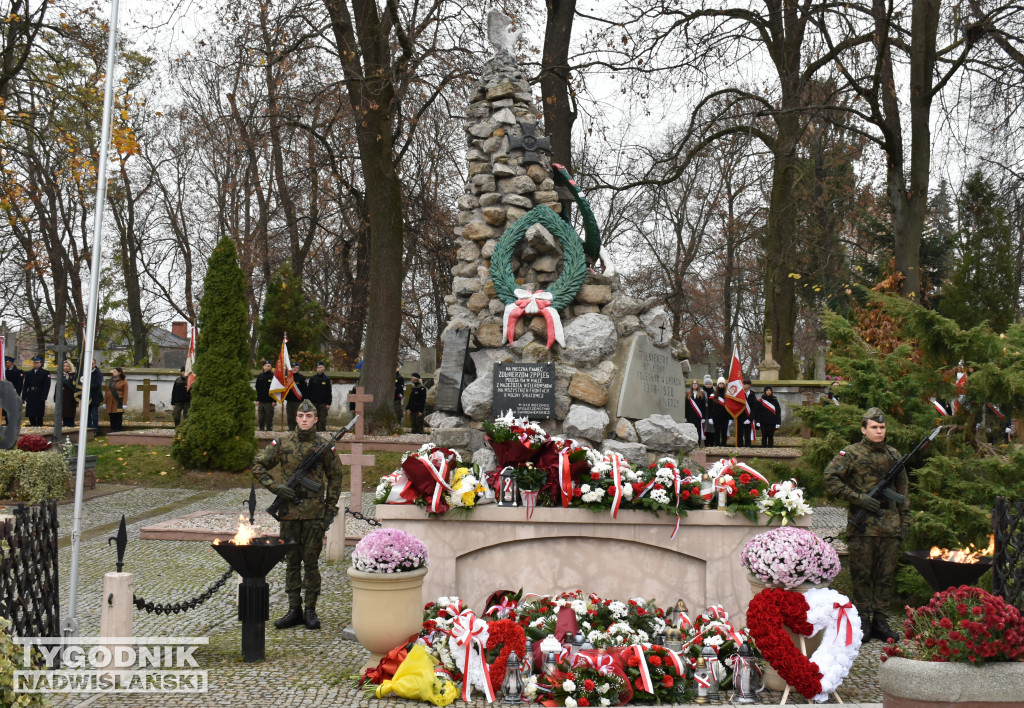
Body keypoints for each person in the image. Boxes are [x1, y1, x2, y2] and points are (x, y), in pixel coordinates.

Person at [252, 399, 345, 630]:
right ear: (296, 418)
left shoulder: (324, 445)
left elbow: (335, 477)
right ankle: (294, 609)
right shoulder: (282, 443)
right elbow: (258, 466)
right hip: (289, 513)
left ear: (315, 419)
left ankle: (311, 610)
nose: (305, 420)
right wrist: (275, 487)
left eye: (309, 416)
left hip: (315, 515)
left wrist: (330, 510)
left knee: (311, 562)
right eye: (301, 417)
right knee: (292, 562)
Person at [824, 407, 906, 643]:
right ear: (864, 429)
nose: (879, 431)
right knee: (861, 576)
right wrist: (859, 498)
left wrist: (905, 520)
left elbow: (903, 491)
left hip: (890, 526)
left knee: (885, 576)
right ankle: (863, 621)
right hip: (863, 527)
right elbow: (830, 479)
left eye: (882, 427)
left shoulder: (893, 454)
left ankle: (881, 621)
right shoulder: (850, 454)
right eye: (874, 427)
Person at [22, 356, 51, 427]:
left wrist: (44, 396)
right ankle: (33, 425)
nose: (35, 364)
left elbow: (46, 386)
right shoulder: (29, 373)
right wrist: (24, 396)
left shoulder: (45, 373)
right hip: (31, 395)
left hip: (39, 395)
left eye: (37, 363)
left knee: (39, 415)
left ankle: (39, 427)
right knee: (31, 414)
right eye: (34, 363)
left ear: (40, 363)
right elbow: (25, 386)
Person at [306, 361, 333, 432]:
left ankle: (322, 434)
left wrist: (328, 403)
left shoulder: (326, 379)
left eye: (321, 367)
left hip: (323, 404)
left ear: (324, 368)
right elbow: (309, 391)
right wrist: (308, 402)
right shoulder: (313, 379)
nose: (319, 369)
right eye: (318, 368)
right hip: (313, 403)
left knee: (322, 420)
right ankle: (313, 433)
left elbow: (329, 392)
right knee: (313, 420)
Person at [104, 367, 128, 432]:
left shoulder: (124, 381)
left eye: (115, 371)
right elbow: (107, 391)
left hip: (118, 402)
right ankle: (112, 429)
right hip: (110, 402)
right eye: (113, 371)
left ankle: (118, 430)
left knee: (118, 416)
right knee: (111, 416)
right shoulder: (110, 381)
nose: (113, 372)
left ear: (119, 373)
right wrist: (105, 402)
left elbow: (125, 393)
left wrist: (124, 403)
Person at [254, 360, 276, 431]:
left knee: (269, 417)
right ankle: (261, 429)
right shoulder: (260, 376)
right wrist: (257, 399)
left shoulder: (273, 376)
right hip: (261, 400)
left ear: (271, 367)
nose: (267, 367)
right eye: (265, 366)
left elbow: (275, 389)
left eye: (268, 366)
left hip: (269, 401)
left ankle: (269, 429)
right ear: (263, 367)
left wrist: (274, 400)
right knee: (261, 417)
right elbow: (257, 388)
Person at [709, 377, 731, 447]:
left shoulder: (728, 395)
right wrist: (710, 417)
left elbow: (730, 407)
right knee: (717, 432)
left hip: (725, 417)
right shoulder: (713, 395)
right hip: (716, 417)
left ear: (725, 384)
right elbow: (709, 408)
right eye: (720, 383)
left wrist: (731, 418)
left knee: (724, 432)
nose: (721, 385)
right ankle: (717, 445)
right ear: (718, 384)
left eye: (722, 383)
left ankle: (724, 445)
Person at [285, 363, 307, 431]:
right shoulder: (288, 378)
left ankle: (298, 430)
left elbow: (305, 390)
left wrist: (304, 401)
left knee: (298, 417)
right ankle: (291, 430)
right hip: (289, 401)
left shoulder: (302, 378)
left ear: (298, 369)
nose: (295, 369)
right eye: (293, 367)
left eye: (296, 367)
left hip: (298, 401)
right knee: (290, 417)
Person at [3, 356, 24, 425]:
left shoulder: (18, 372)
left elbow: (19, 386)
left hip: (13, 395)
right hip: (5, 396)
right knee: (6, 413)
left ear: (11, 362)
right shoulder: (4, 373)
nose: (5, 364)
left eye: (6, 362)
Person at [685, 379, 706, 446]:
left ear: (698, 385)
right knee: (690, 432)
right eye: (693, 383)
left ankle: (698, 445)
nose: (694, 384)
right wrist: (685, 416)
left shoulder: (701, 394)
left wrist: (703, 417)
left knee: (698, 432)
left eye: (696, 383)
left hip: (698, 417)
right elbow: (686, 406)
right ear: (691, 385)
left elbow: (703, 407)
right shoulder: (688, 394)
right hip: (690, 417)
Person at [57, 360, 79, 427]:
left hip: (70, 398)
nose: (66, 367)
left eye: (67, 366)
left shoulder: (74, 375)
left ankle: (71, 427)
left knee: (70, 415)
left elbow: (75, 387)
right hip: (62, 398)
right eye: (64, 366)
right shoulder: (61, 375)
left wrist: (65, 381)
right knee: (63, 415)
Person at [738, 378, 758, 447]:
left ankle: (747, 447)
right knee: (739, 434)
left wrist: (750, 419)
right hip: (740, 417)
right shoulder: (739, 395)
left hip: (748, 418)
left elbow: (754, 409)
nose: (743, 385)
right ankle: (739, 447)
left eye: (744, 384)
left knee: (747, 434)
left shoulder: (752, 395)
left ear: (749, 385)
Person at [87, 359, 103, 431]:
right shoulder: (85, 372)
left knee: (94, 415)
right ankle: (88, 429)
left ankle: (95, 430)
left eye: (92, 364)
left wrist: (87, 386)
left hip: (95, 397)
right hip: (86, 397)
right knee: (87, 415)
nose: (91, 366)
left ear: (95, 364)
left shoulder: (98, 373)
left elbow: (98, 384)